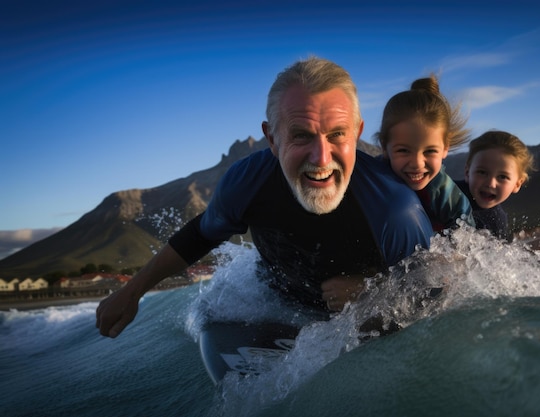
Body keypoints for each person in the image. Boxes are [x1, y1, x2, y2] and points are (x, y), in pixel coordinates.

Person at [96, 57, 433, 338]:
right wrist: (133, 290)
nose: (321, 157)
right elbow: (201, 234)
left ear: (356, 134)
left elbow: (435, 286)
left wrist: (373, 293)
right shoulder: (247, 183)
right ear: (272, 139)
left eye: (336, 135)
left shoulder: (393, 208)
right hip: (278, 306)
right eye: (301, 135)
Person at [375, 74, 474, 233]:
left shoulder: (444, 193)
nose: (417, 163)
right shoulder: (372, 175)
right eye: (403, 150)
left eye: (430, 151)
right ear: (384, 146)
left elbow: (467, 239)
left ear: (445, 148)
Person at [455, 130, 540, 251]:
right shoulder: (448, 192)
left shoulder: (496, 222)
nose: (490, 183)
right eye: (482, 172)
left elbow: (499, 261)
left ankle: (529, 250)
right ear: (467, 172)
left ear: (517, 184)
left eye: (502, 177)